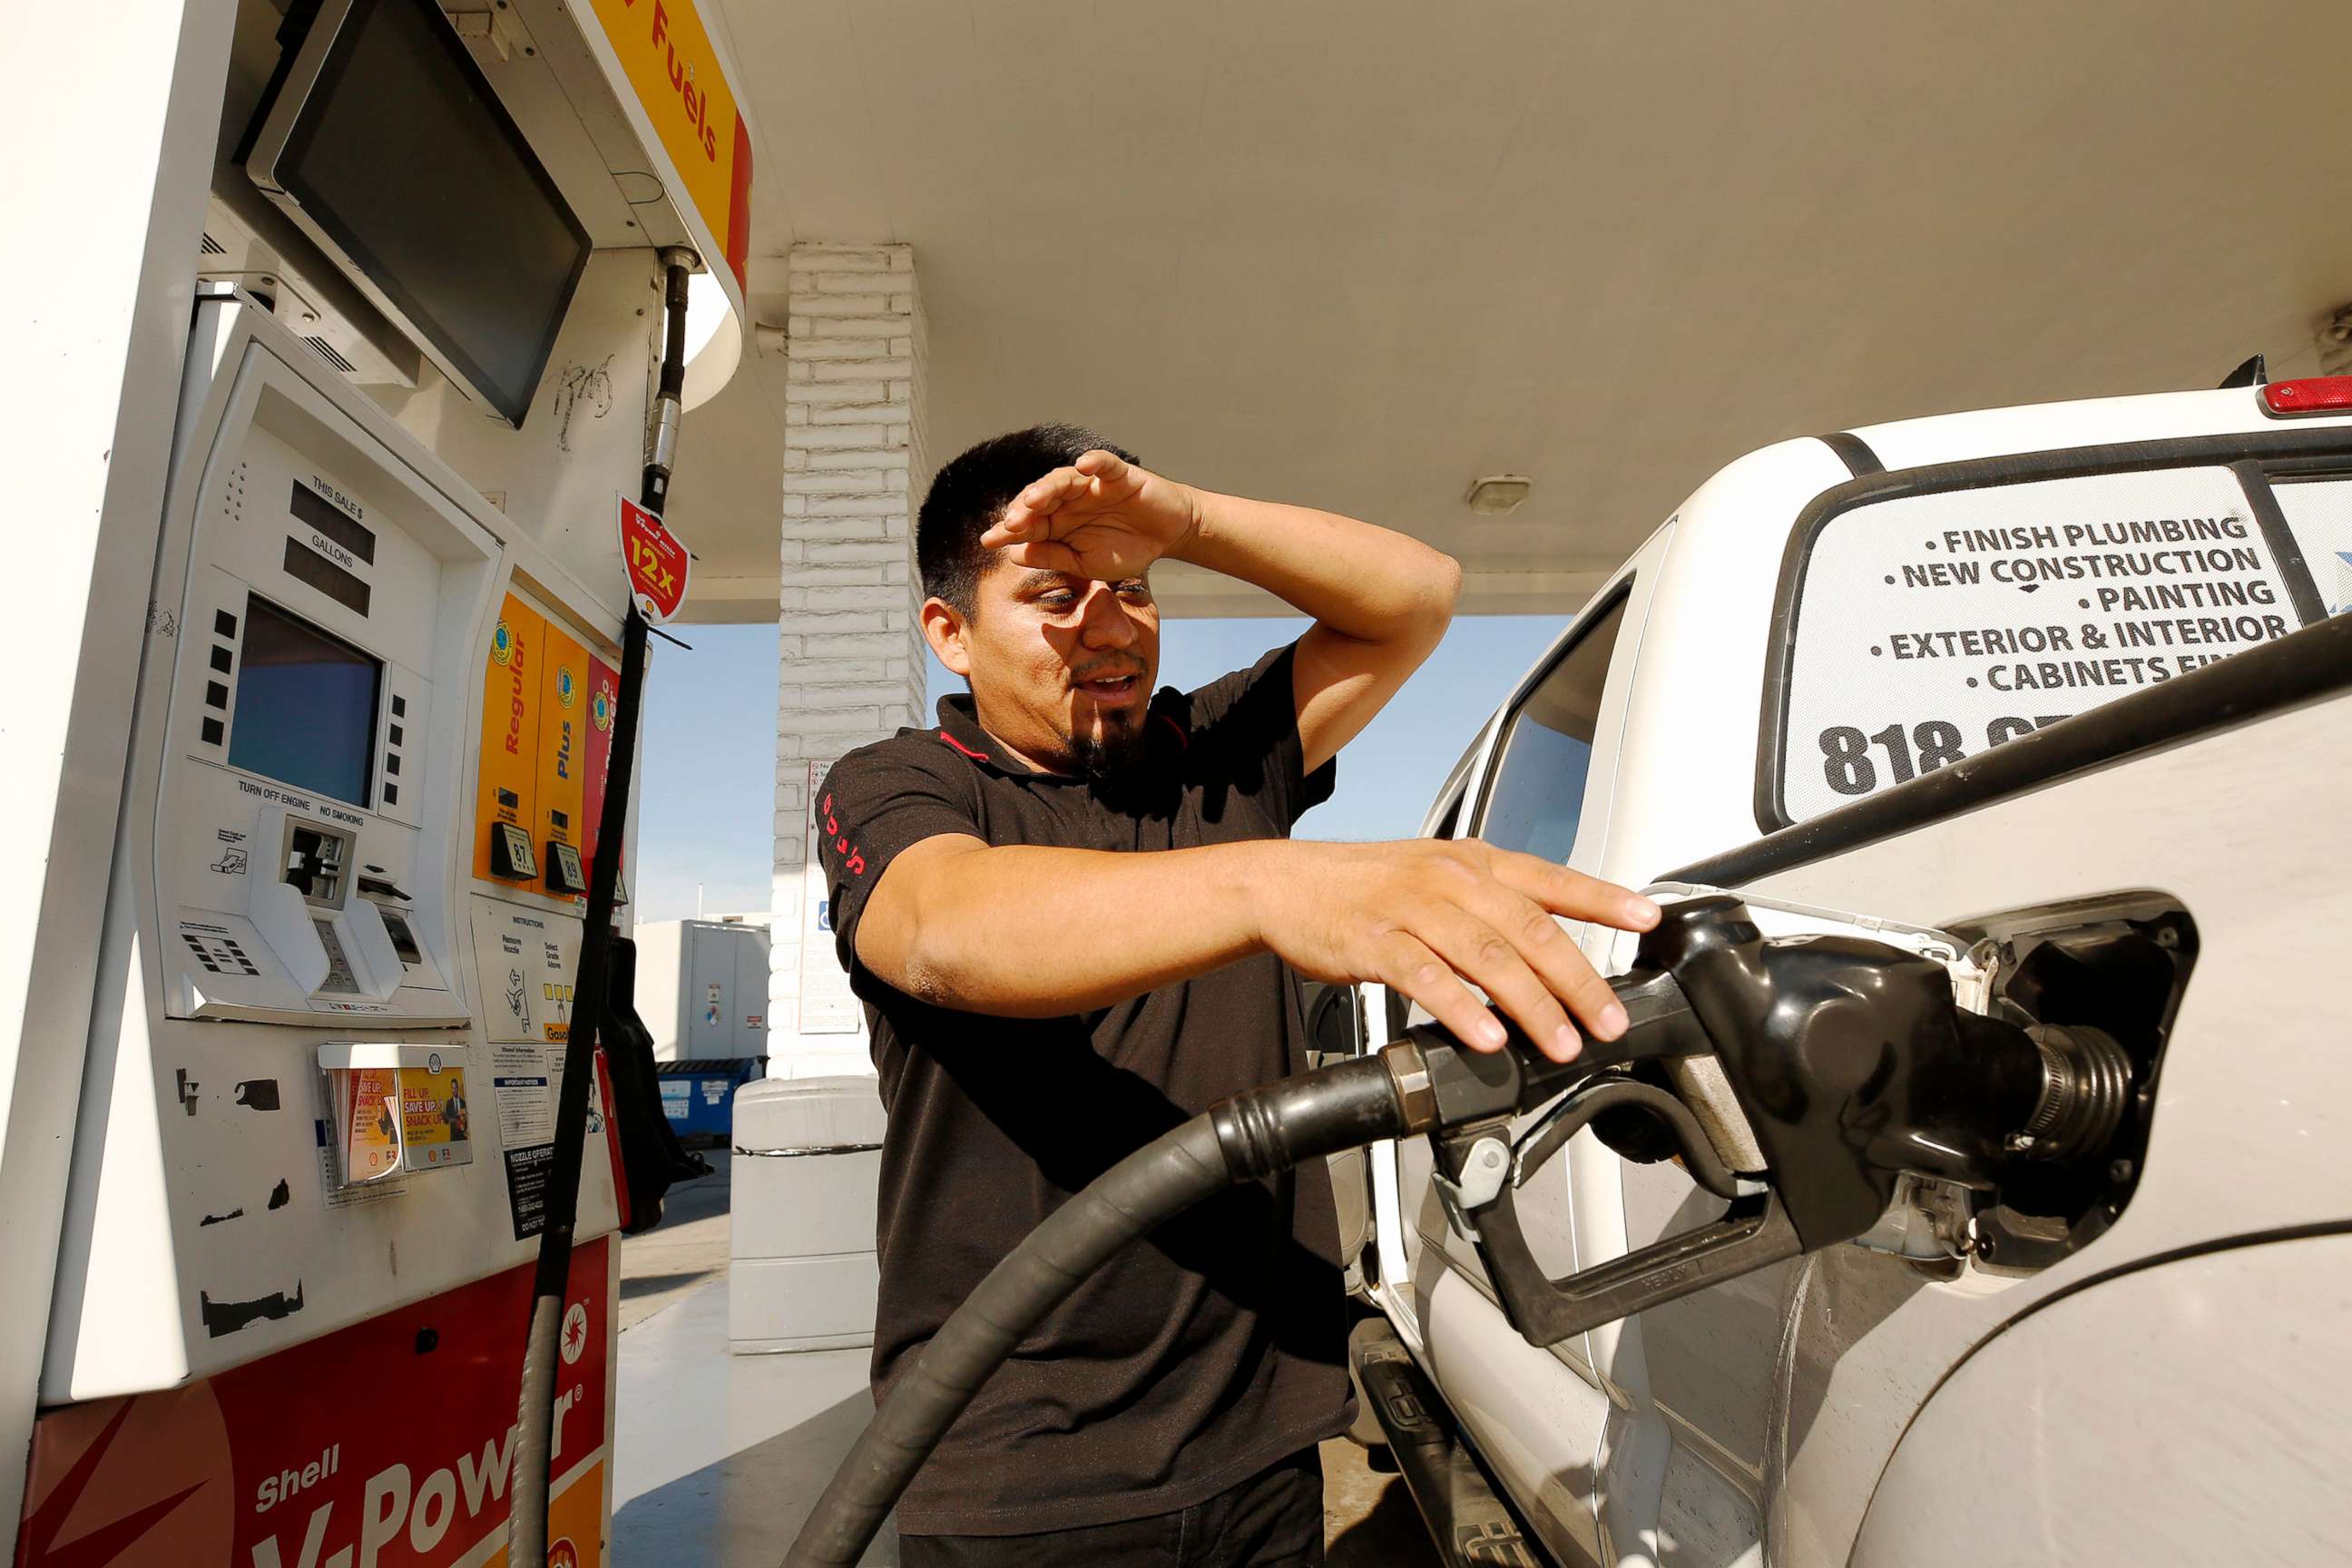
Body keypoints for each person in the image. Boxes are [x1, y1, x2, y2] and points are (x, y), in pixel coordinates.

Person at [815, 425, 1660, 1566]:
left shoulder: (1212, 753)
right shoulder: (900, 784)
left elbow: (1416, 596)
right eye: (1057, 595)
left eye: (1134, 587)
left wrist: (1191, 518)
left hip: (1262, 1435)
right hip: (1026, 1465)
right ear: (950, 633)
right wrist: (1276, 882)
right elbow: (940, 931)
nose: (1111, 628)